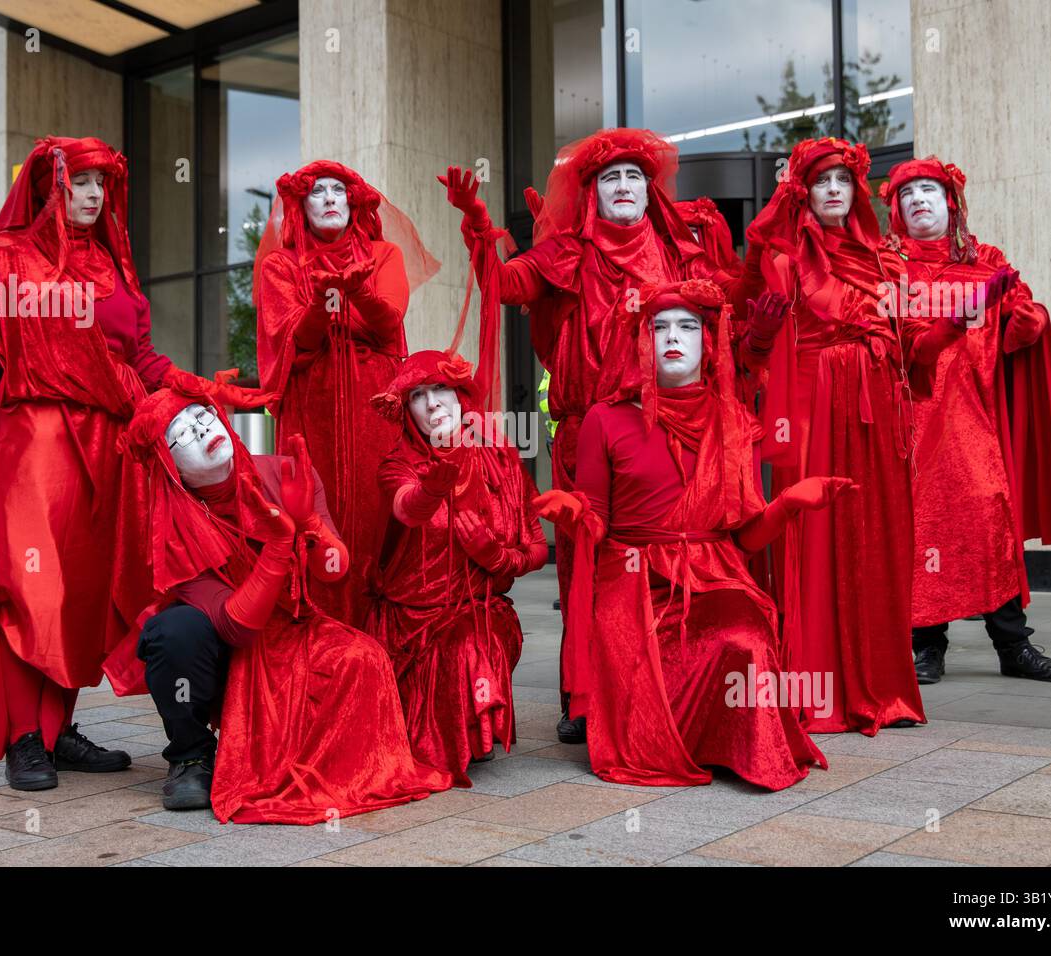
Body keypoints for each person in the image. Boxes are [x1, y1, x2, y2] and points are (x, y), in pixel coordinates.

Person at [0, 136, 261, 790]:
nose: (95, 196)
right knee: (32, 587)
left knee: (85, 595)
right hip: (34, 441)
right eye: (80, 184)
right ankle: (22, 739)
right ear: (49, 188)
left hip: (112, 443)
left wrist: (205, 388)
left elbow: (143, 360)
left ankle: (55, 729)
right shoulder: (5, 259)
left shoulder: (109, 262)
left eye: (102, 184)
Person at [439, 128, 713, 742]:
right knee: (586, 568)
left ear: (648, 191)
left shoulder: (677, 252)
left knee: (666, 557)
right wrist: (481, 225)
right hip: (588, 432)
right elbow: (506, 286)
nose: (622, 186)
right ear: (592, 195)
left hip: (666, 433)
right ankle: (584, 694)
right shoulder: (568, 253)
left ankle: (666, 684)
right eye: (609, 178)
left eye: (633, 177)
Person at [534, 279, 839, 788]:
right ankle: (672, 737)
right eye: (659, 327)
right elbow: (598, 521)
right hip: (632, 579)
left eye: (688, 326)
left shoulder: (733, 419)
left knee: (744, 639)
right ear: (641, 342)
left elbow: (744, 539)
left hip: (713, 576)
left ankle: (735, 746)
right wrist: (573, 514)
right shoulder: (604, 420)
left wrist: (787, 505)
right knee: (646, 662)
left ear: (709, 341)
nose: (672, 336)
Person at [736, 137, 993, 735]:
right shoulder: (784, 254)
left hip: (878, 412)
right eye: (821, 180)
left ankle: (880, 689)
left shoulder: (887, 261)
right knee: (813, 532)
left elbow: (914, 352)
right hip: (810, 410)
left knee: (878, 537)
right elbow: (750, 309)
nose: (833, 190)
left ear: (855, 193)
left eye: (843, 181)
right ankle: (813, 689)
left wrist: (955, 323)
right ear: (805, 191)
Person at [123, 380, 452, 820]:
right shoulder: (173, 525)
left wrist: (312, 524)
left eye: (204, 417)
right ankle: (190, 754)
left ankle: (320, 760)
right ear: (169, 464)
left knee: (365, 657)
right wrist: (280, 545)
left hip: (295, 629)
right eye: (182, 435)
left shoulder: (282, 472)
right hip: (227, 649)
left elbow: (335, 572)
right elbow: (237, 626)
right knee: (173, 632)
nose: (202, 431)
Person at [881, 156, 1051, 685]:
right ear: (897, 210)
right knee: (922, 526)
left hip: (975, 420)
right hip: (911, 420)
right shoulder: (886, 267)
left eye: (929, 190)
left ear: (951, 202)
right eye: (907, 194)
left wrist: (1020, 312)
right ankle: (927, 646)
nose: (919, 200)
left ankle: (1013, 645)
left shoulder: (985, 259)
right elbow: (889, 343)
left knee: (993, 519)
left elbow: (1021, 331)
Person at [254, 161, 439, 628]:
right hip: (310, 407)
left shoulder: (384, 255)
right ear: (302, 206)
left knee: (377, 512)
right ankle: (321, 635)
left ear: (354, 203)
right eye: (318, 192)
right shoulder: (280, 264)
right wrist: (320, 305)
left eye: (340, 190)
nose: (331, 198)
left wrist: (359, 294)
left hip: (373, 403)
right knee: (316, 514)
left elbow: (389, 322)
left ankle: (381, 641)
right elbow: (298, 341)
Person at [366, 350, 547, 785]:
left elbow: (537, 548)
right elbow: (407, 509)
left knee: (470, 646)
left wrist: (498, 558)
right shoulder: (398, 464)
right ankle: (452, 726)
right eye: (418, 395)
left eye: (442, 388)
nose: (433, 404)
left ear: (461, 394)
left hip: (478, 611)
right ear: (406, 411)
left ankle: (468, 727)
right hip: (408, 624)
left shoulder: (499, 454)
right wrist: (431, 488)